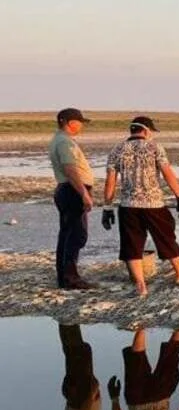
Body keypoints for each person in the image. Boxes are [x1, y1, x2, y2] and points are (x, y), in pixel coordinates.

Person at [100, 116, 179, 296]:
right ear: (146, 130)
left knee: (132, 244)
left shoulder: (117, 149)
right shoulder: (155, 147)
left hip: (128, 205)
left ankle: (141, 285)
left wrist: (107, 207)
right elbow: (167, 173)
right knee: (166, 238)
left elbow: (110, 181)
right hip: (154, 204)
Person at [49, 108, 97, 289]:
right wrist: (84, 193)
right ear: (69, 122)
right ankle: (70, 277)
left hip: (68, 190)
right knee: (76, 234)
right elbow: (70, 169)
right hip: (72, 191)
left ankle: (64, 276)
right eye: (79, 122)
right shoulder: (64, 142)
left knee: (68, 233)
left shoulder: (61, 140)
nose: (81, 125)